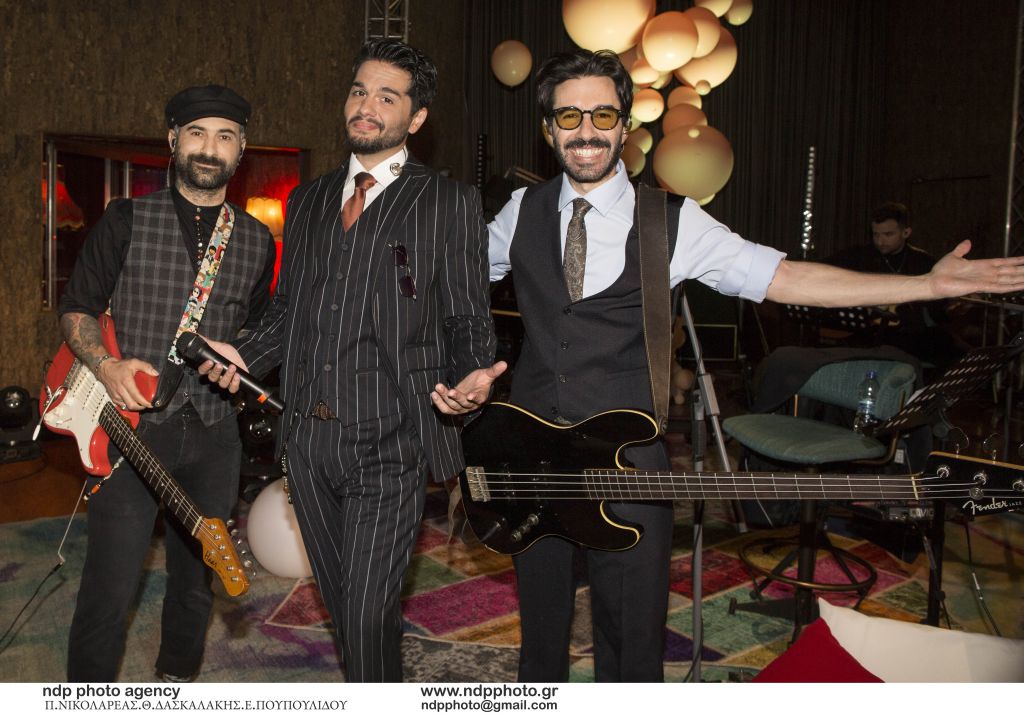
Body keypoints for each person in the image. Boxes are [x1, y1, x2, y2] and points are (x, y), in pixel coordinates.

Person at [486, 49, 1024, 682]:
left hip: (630, 460)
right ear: (548, 128)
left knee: (631, 642)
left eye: (602, 114)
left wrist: (926, 287)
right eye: (569, 115)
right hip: (531, 456)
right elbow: (456, 282)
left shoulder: (673, 220)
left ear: (625, 125)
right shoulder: (519, 212)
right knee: (539, 636)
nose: (586, 131)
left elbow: (788, 278)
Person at [201, 39, 504, 682]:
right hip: (306, 440)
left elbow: (468, 320)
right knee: (346, 608)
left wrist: (470, 378)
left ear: (416, 118)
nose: (367, 106)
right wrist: (241, 352)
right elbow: (287, 311)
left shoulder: (447, 202)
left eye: (387, 97)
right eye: (360, 91)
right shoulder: (308, 201)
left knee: (365, 611)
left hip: (391, 439)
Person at [58, 84, 276, 682]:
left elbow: (257, 329)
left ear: (241, 150)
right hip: (129, 430)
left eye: (225, 136)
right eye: (197, 133)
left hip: (215, 432)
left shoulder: (257, 239)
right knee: (110, 587)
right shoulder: (125, 218)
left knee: (196, 581)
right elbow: (76, 309)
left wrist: (243, 360)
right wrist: (107, 366)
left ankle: (176, 682)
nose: (210, 147)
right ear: (174, 140)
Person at [826, 202, 965, 367]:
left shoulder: (923, 262)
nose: (880, 241)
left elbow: (937, 312)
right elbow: (825, 271)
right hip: (862, 333)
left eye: (888, 234)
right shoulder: (859, 255)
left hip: (907, 335)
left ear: (906, 232)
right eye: (876, 234)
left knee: (952, 351)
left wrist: (954, 309)